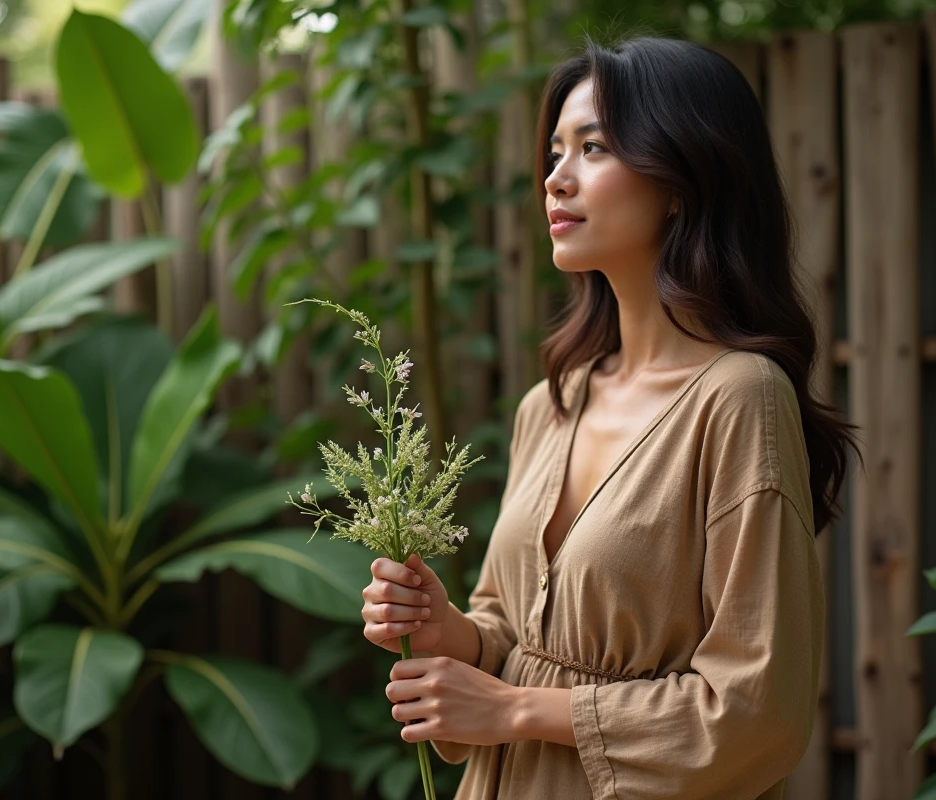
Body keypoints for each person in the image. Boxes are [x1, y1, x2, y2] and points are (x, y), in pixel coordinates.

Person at [360, 34, 858, 800]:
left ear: (682, 180)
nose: (556, 179)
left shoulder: (739, 398)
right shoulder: (549, 405)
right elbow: (507, 635)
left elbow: (757, 711)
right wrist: (441, 630)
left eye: (592, 148)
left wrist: (516, 709)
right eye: (554, 152)